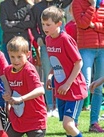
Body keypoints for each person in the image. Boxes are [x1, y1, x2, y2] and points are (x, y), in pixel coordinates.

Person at [41, 6, 87, 137]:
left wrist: (67, 84)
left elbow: (78, 63)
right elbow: (57, 63)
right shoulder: (48, 39)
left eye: (48, 24)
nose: (45, 27)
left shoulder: (65, 39)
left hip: (74, 90)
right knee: (69, 128)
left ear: (59, 24)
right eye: (43, 24)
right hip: (61, 90)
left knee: (68, 124)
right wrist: (50, 75)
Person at [30, 0, 72, 118]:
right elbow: (33, 26)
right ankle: (49, 106)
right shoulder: (37, 7)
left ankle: (60, 106)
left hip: (61, 44)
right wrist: (38, 37)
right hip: (45, 43)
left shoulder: (60, 3)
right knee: (47, 74)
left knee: (61, 73)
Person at [2, 36, 47, 137]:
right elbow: (7, 88)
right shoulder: (8, 71)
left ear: (28, 54)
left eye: (19, 56)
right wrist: (7, 95)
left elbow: (40, 90)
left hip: (35, 119)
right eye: (12, 57)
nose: (16, 60)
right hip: (17, 119)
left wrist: (21, 98)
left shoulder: (28, 70)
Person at [72, 0, 104, 132]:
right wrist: (91, 6)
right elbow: (82, 24)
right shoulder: (77, 2)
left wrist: (93, 25)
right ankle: (73, 122)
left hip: (102, 49)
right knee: (83, 85)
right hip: (85, 49)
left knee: (99, 87)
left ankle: (94, 123)